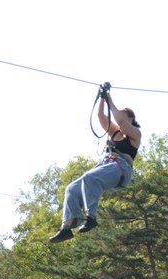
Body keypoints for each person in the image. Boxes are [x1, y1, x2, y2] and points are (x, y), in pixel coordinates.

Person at [49, 83, 141, 243]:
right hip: (106, 166)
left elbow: (120, 120)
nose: (118, 115)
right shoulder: (115, 132)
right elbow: (100, 116)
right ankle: (67, 227)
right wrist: (101, 97)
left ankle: (91, 217)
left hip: (121, 169)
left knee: (89, 178)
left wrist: (110, 99)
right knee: (71, 189)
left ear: (131, 118)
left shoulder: (135, 134)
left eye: (122, 114)